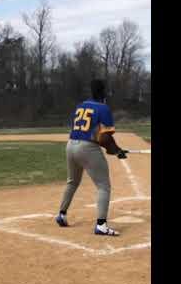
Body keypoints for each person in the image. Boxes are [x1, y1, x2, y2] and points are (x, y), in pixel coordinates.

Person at [55, 79, 128, 236]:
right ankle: (101, 225)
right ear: (103, 92)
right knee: (103, 186)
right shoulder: (103, 108)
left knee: (72, 181)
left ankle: (61, 214)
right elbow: (105, 138)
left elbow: (96, 135)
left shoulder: (81, 106)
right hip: (87, 148)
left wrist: (113, 149)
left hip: (70, 145)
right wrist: (116, 151)